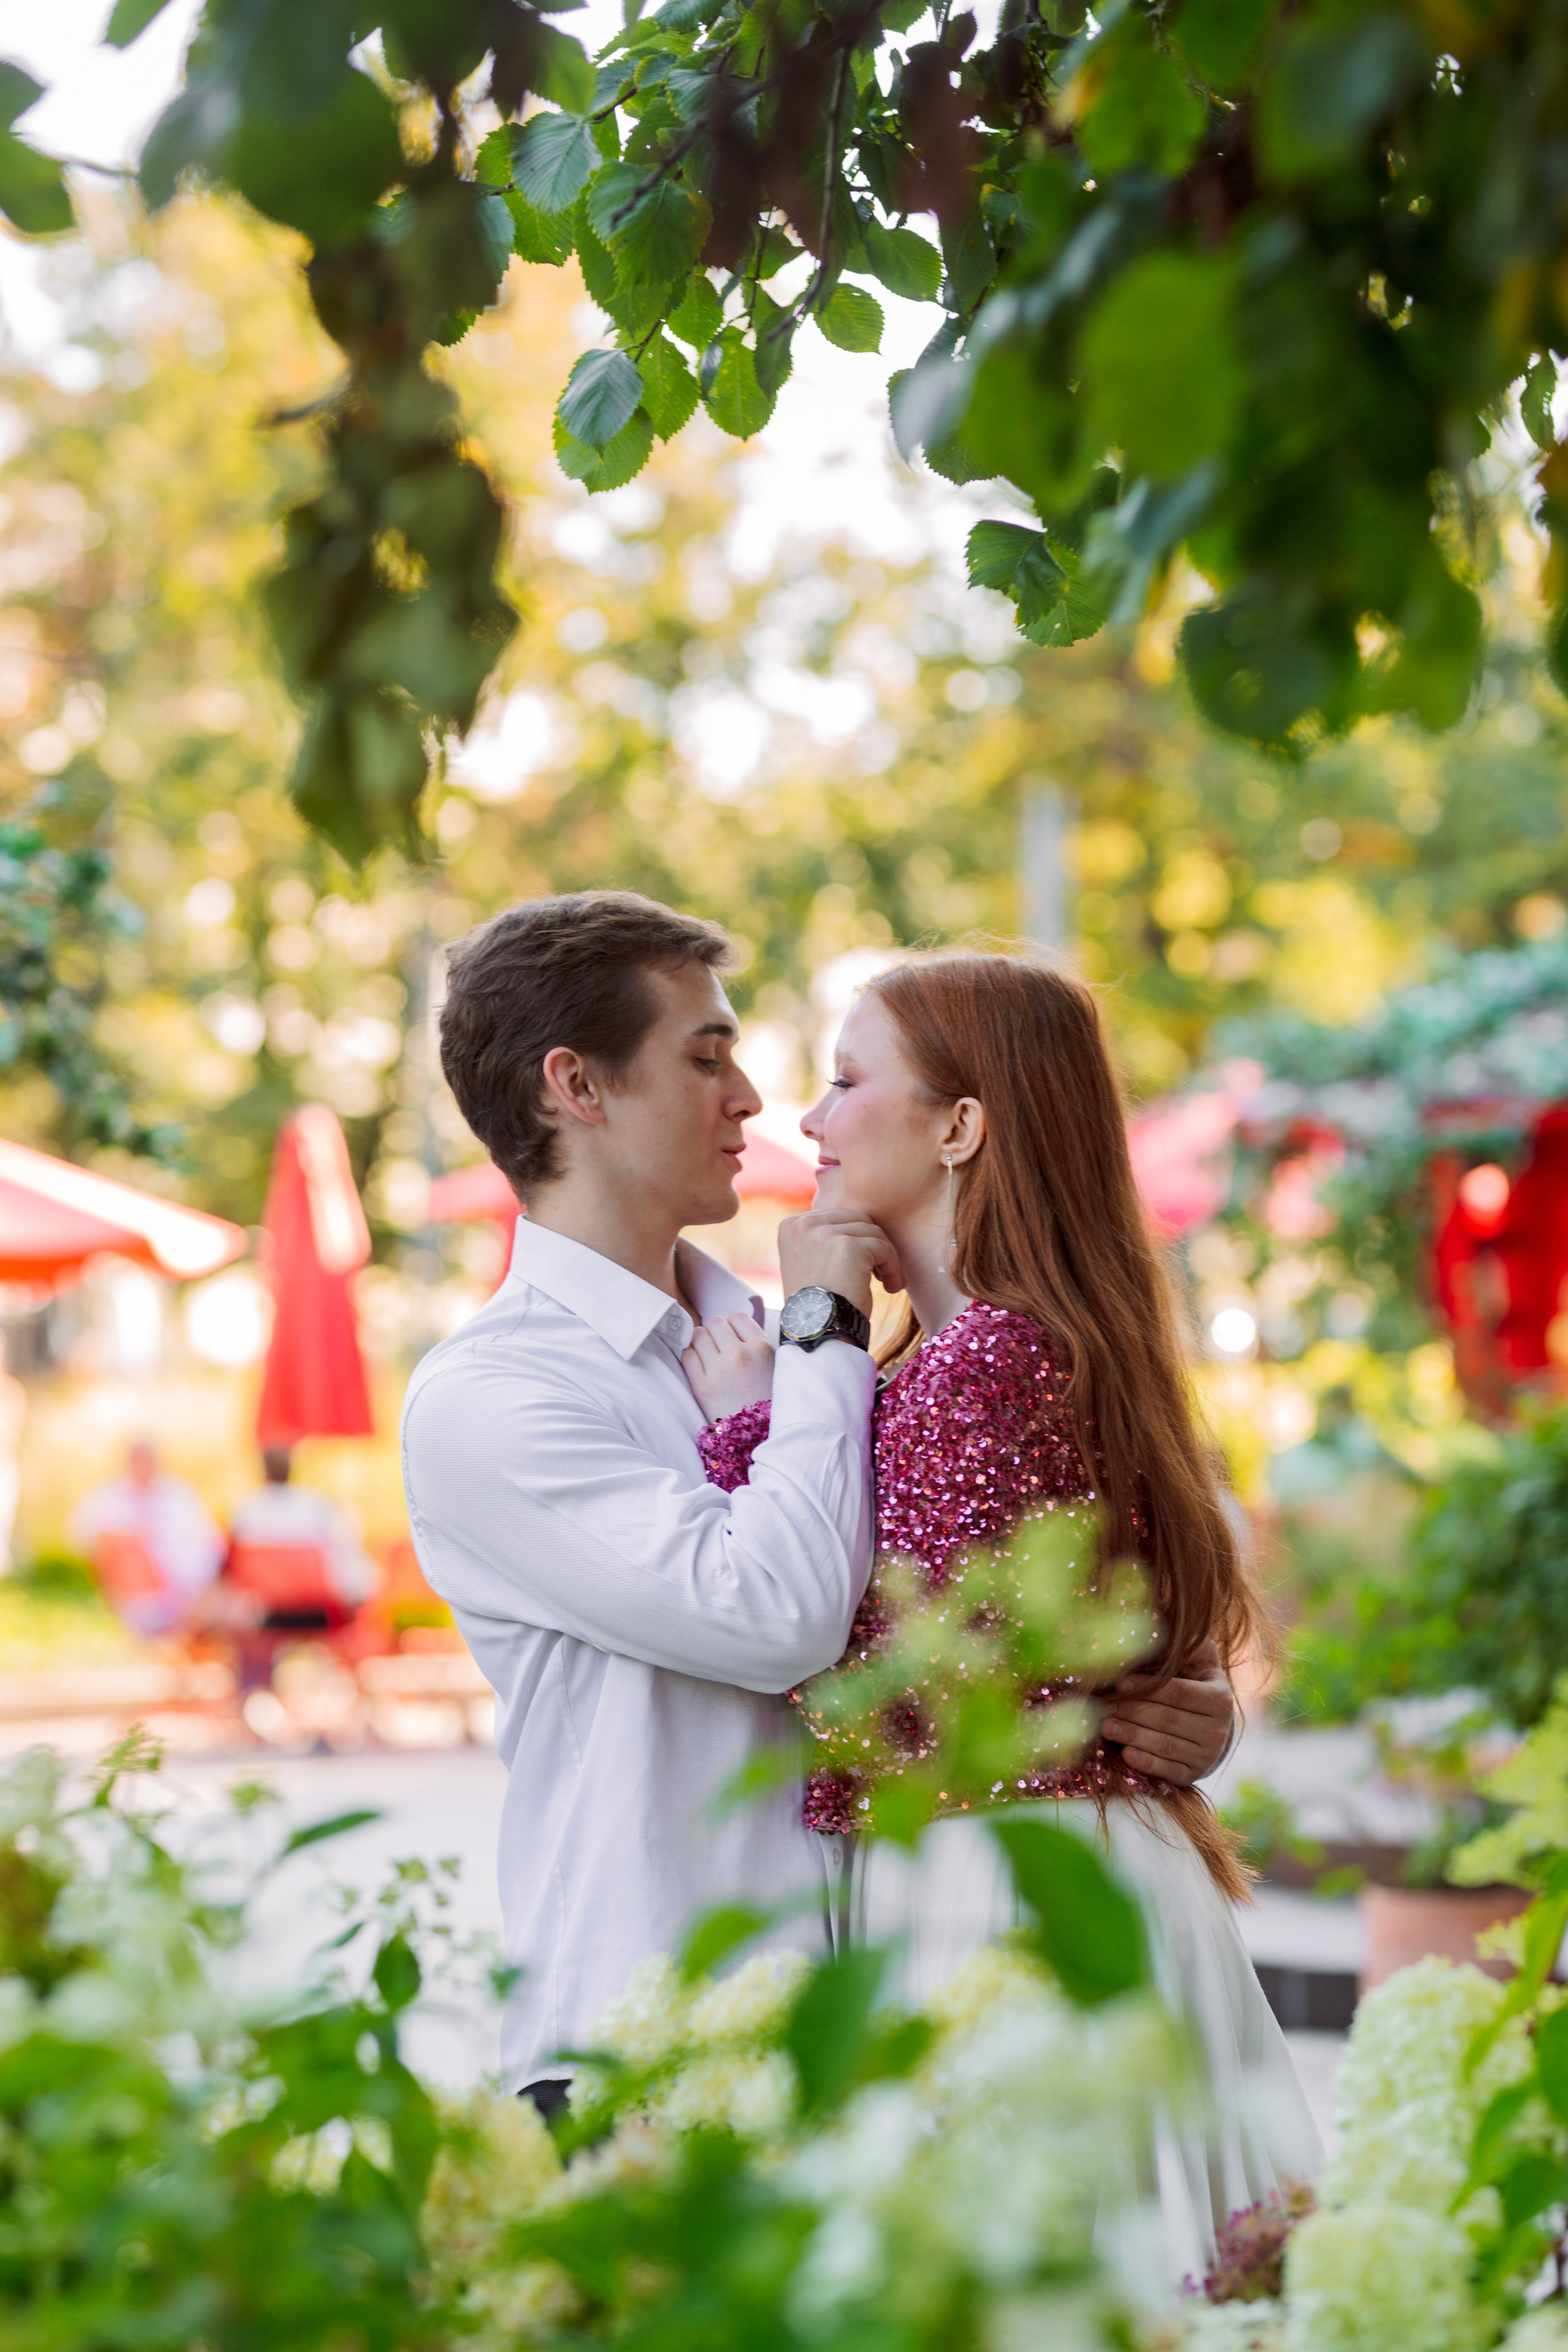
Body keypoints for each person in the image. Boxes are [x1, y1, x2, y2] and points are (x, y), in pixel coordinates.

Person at [399, 892, 1240, 2114]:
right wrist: (820, 1336)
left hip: (882, 2024)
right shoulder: (497, 1396)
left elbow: (976, 1604)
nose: (753, 1100)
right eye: (705, 1057)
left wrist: (1154, 1710)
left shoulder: (815, 1330)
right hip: (658, 2048)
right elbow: (775, 1617)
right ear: (576, 1088)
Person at [685, 952, 1321, 2272]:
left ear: (960, 1125)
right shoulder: (1001, 1348)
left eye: (845, 1081)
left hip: (1011, 1892)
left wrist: (760, 1413)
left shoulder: (988, 1357)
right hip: (1039, 1868)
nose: (807, 1120)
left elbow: (891, 1678)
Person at [68, 1436, 225, 1636]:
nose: (143, 1466)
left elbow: (208, 1543)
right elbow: (80, 1534)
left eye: (147, 1459)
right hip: (142, 1597)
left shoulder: (177, 1494)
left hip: (188, 1590)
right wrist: (127, 1540)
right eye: (138, 1459)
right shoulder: (109, 1497)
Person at [227, 1444, 380, 1611]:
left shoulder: (246, 1509)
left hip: (263, 1604)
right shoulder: (316, 1505)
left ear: (265, 1472)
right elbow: (344, 1546)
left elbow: (233, 1557)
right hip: (318, 1603)